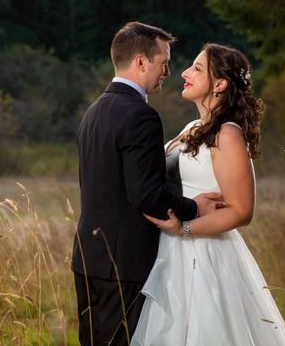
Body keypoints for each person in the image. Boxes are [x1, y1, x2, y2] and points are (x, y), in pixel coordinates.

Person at [131, 43, 285, 345]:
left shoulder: (227, 134)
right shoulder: (194, 126)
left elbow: (241, 210)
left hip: (205, 256)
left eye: (196, 68)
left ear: (219, 84)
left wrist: (185, 228)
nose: (184, 73)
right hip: (172, 253)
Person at [71, 22, 224, 346]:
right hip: (124, 261)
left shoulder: (95, 111)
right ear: (141, 61)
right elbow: (145, 194)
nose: (168, 71)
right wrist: (195, 207)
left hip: (87, 256)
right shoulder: (140, 115)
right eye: (163, 62)